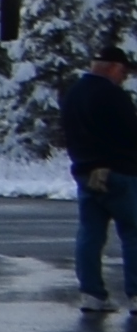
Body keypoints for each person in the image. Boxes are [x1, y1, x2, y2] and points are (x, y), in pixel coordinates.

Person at [66, 39, 137, 311]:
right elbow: (131, 133)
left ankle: (92, 294)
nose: (124, 77)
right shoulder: (114, 96)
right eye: (124, 72)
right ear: (113, 68)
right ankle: (135, 293)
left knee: (90, 234)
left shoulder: (74, 93)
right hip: (119, 172)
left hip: (86, 173)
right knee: (132, 233)